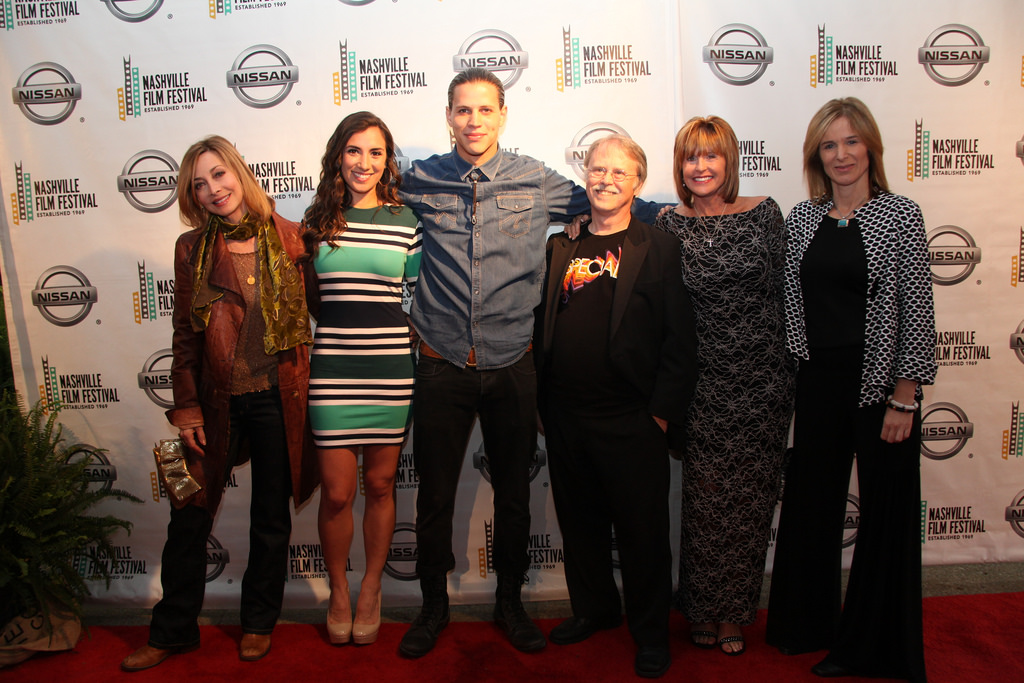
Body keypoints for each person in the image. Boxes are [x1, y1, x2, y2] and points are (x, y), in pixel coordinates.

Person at [394, 67, 595, 658]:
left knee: (513, 493)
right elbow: (360, 207)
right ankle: (433, 606)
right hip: (441, 359)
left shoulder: (537, 181)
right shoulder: (422, 179)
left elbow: (608, 204)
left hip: (513, 360)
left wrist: (684, 214)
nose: (473, 120)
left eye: (485, 110)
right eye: (463, 110)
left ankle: (511, 603)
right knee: (432, 494)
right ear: (448, 115)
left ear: (502, 115)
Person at [121, 135, 318, 671]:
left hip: (280, 400)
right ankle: (172, 630)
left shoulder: (293, 239)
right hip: (215, 404)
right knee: (188, 517)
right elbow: (186, 335)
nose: (212, 190)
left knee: (270, 520)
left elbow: (325, 312)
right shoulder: (191, 249)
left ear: (240, 172)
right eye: (199, 185)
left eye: (219, 175)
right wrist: (184, 407)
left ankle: (258, 622)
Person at [765, 97, 935, 683]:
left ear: (871, 147)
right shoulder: (804, 218)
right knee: (811, 506)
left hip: (881, 385)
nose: (841, 155)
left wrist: (905, 396)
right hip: (816, 384)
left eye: (851, 142)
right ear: (817, 153)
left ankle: (871, 646)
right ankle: (804, 626)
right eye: (829, 145)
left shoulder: (900, 216)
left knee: (886, 517)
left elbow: (917, 310)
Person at [536, 135, 698, 678]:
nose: (605, 179)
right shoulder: (563, 246)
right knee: (579, 527)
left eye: (618, 172)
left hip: (632, 420)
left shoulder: (658, 246)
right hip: (565, 415)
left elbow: (681, 339)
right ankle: (596, 610)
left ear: (637, 183)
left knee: (643, 535)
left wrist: (658, 414)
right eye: (597, 169)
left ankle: (650, 632)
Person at [654, 116, 795, 656]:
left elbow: (788, 296)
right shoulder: (669, 223)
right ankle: (700, 607)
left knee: (753, 500)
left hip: (762, 383)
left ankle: (735, 611)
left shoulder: (764, 214)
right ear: (680, 166)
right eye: (691, 157)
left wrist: (795, 377)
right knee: (705, 500)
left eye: (711, 156)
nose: (701, 167)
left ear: (729, 161)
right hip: (702, 385)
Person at [302, 111, 421, 646]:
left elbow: (413, 301)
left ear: (387, 161)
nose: (364, 163)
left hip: (390, 370)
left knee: (379, 485)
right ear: (338, 157)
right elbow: (310, 302)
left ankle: (371, 587)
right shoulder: (315, 225)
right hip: (333, 372)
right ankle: (339, 591)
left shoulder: (407, 222)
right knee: (334, 492)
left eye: (375, 152)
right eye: (354, 151)